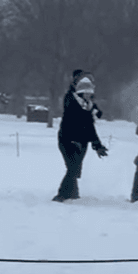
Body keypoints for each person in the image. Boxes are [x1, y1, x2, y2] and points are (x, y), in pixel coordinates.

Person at [53, 69, 108, 202]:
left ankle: (73, 193)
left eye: (91, 93)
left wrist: (97, 145)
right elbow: (85, 123)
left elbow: (92, 123)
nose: (89, 95)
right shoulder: (71, 100)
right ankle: (61, 195)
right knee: (73, 167)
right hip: (67, 139)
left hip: (82, 142)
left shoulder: (88, 105)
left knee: (75, 169)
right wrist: (90, 114)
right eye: (87, 93)